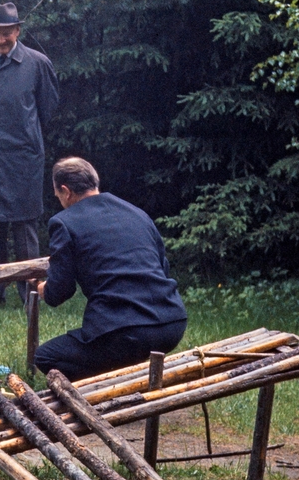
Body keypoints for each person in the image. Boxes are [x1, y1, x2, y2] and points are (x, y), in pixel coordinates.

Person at [33, 157, 187, 381]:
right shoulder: (136, 213)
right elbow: (163, 269)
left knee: (47, 357)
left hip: (125, 331)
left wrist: (44, 289)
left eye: (57, 195)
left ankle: (102, 398)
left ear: (65, 191)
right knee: (117, 350)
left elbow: (60, 292)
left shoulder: (63, 223)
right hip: (171, 323)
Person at [0, 1, 59, 309]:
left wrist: (23, 137)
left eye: (7, 33)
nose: (1, 39)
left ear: (17, 30)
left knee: (24, 227)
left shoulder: (37, 63)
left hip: (22, 159)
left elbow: (48, 108)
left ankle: (30, 293)